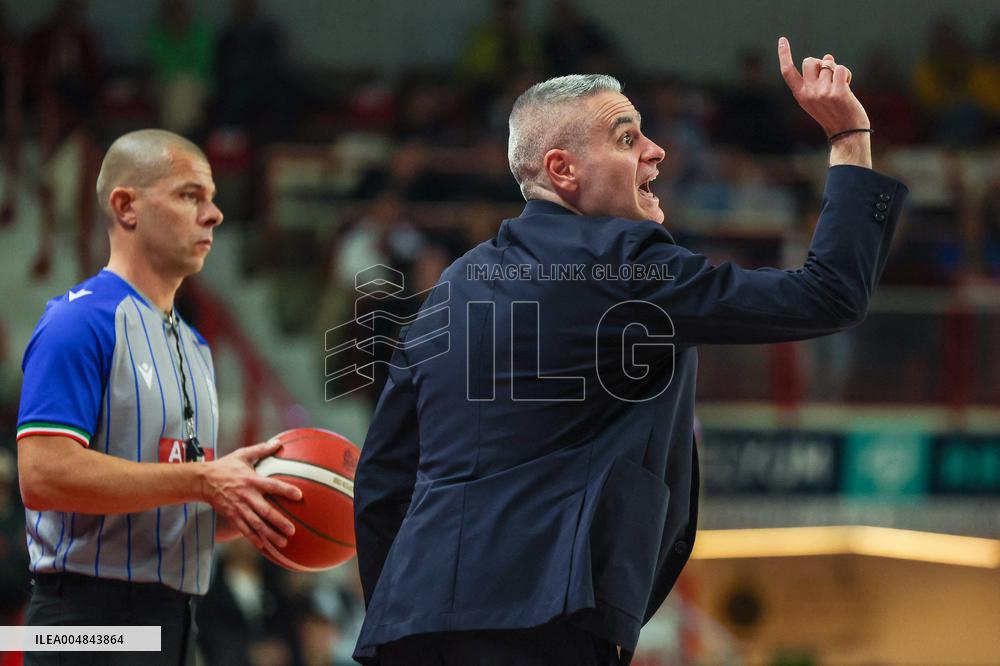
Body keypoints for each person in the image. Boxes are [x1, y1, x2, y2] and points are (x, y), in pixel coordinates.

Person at [353, 37, 907, 666]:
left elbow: (381, 479)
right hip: (542, 621)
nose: (656, 150)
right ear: (563, 170)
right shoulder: (624, 265)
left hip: (410, 624)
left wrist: (397, 613)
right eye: (626, 138)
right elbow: (828, 294)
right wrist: (849, 140)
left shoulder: (453, 284)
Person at [16, 129, 302, 665]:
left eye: (212, 197)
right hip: (82, 622)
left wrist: (244, 507)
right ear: (126, 206)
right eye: (190, 195)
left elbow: (166, 502)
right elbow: (42, 474)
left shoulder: (196, 345)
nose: (213, 214)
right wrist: (201, 479)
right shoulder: (78, 320)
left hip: (173, 618)